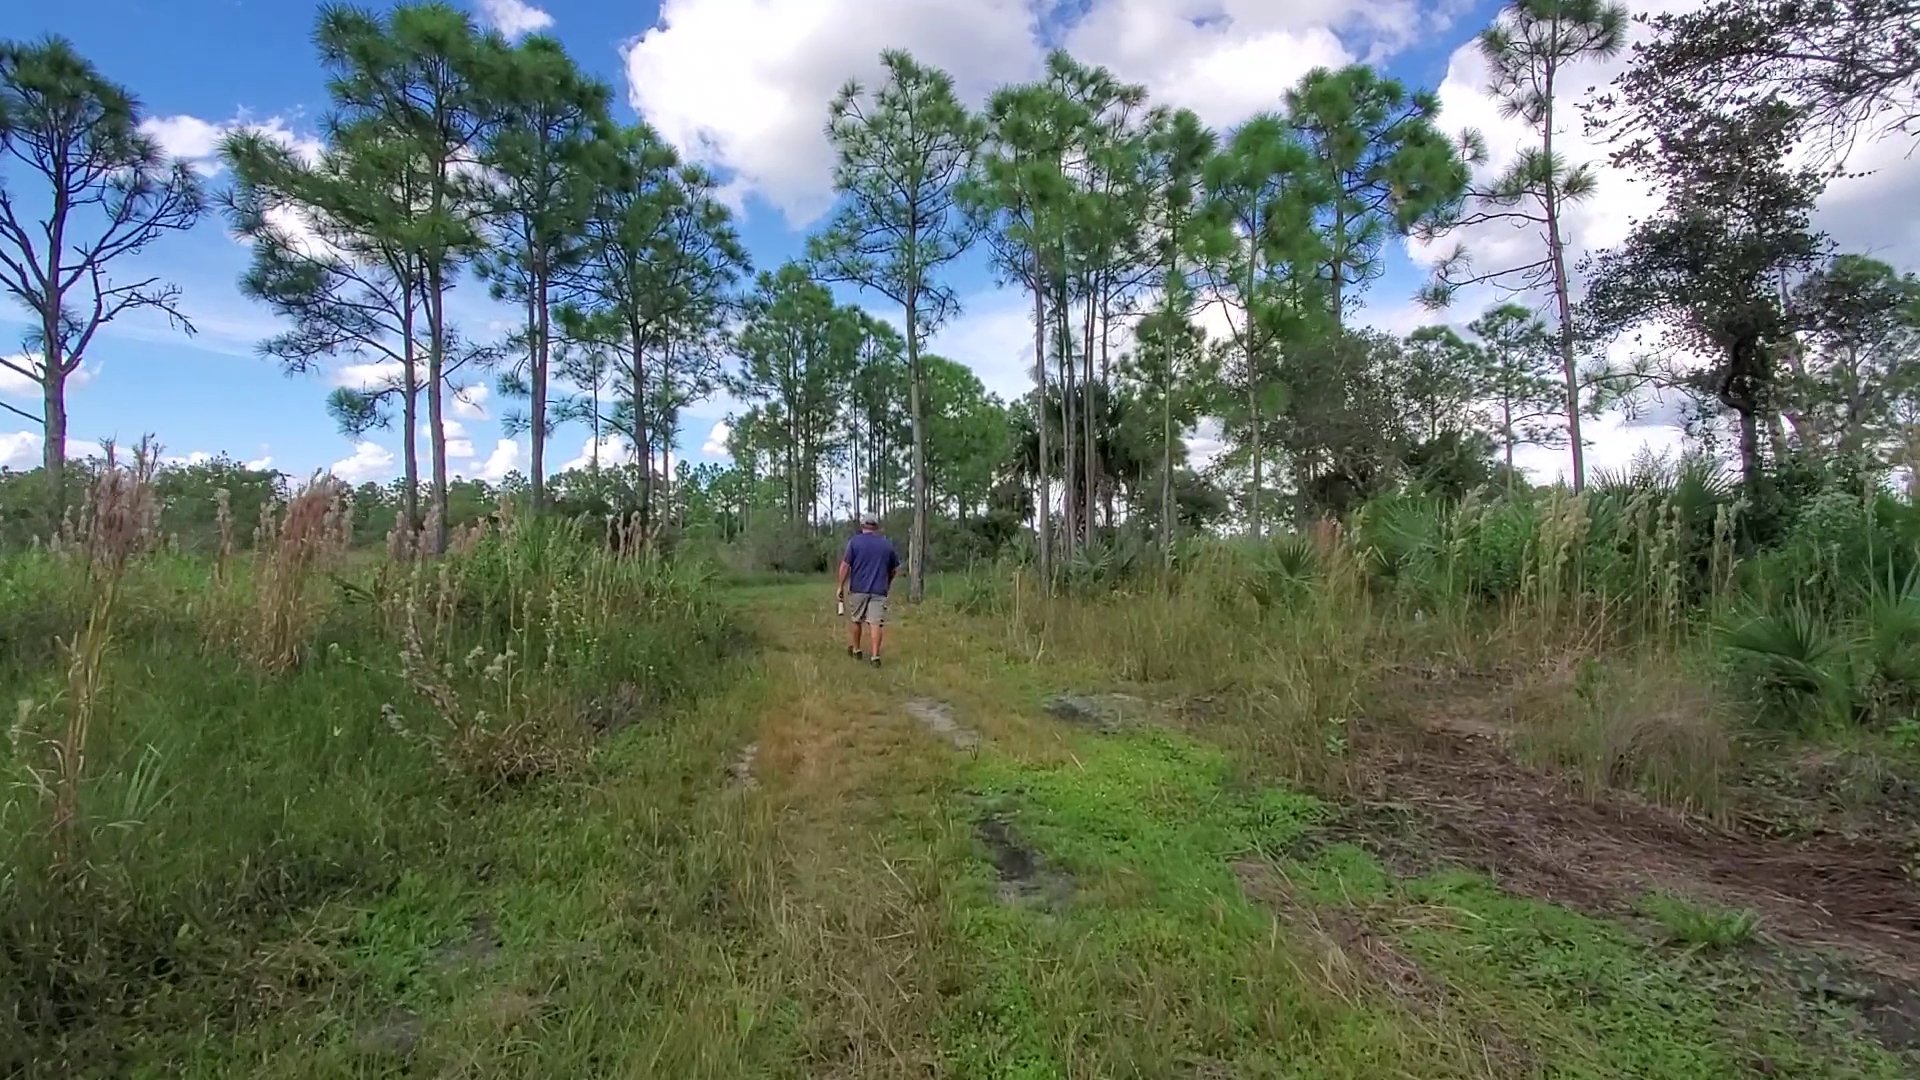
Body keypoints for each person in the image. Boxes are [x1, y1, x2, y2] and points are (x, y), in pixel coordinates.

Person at [836, 511, 901, 667]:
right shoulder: (886, 544)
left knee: (856, 620)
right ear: (876, 526)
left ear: (863, 525)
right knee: (875, 623)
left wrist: (840, 586)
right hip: (879, 589)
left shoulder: (855, 542)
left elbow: (845, 565)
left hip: (858, 588)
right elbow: (893, 570)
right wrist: (888, 583)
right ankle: (875, 657)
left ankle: (857, 649)